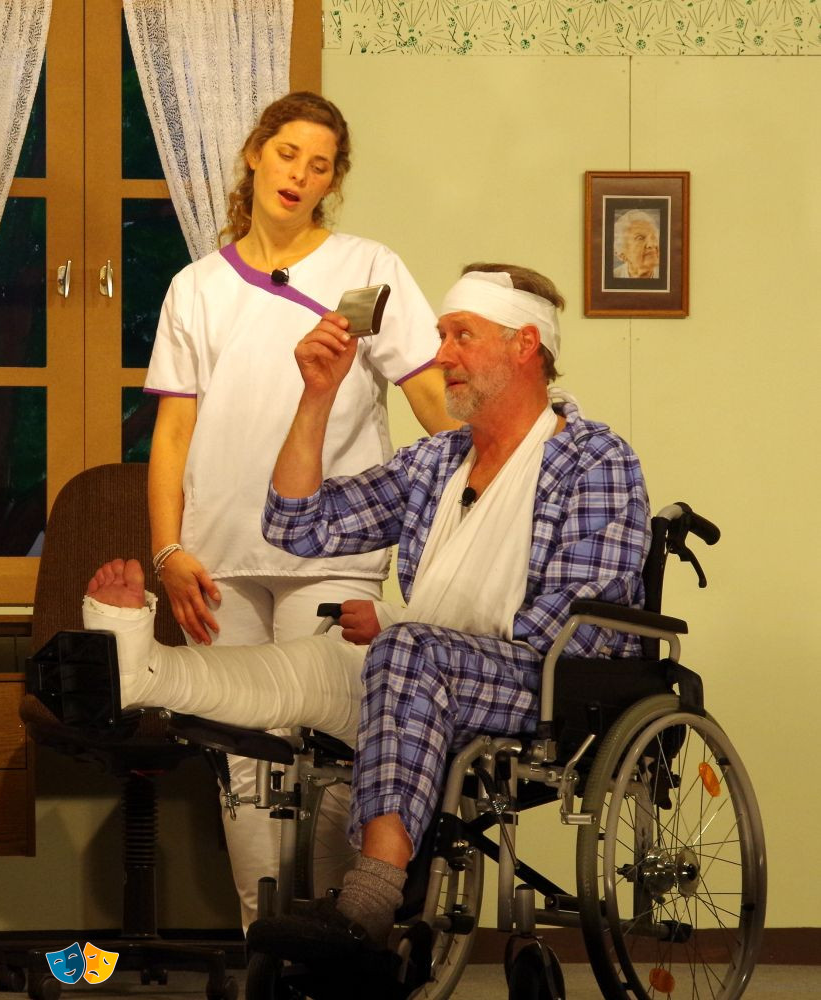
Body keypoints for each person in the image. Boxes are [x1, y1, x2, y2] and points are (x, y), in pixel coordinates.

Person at [85, 263, 649, 952]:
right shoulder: (437, 463)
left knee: (404, 648)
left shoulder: (594, 460)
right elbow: (298, 525)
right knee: (316, 667)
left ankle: (370, 899)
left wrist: (405, 625)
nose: (442, 355)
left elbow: (571, 628)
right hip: (431, 672)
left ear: (524, 344)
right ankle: (144, 671)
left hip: (550, 681)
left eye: (461, 336)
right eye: (441, 335)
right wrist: (316, 396)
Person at [143, 91, 455, 928]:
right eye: (287, 155)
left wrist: (500, 472)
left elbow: (430, 396)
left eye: (320, 166)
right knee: (243, 766)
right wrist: (169, 552)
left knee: (332, 751)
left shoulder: (367, 269)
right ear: (255, 154)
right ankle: (267, 943)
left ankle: (337, 938)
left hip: (333, 553)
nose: (299, 176)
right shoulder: (196, 287)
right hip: (217, 560)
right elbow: (172, 435)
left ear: (332, 181)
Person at [612, 208, 660, 279]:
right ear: (621, 255)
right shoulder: (613, 276)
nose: (652, 244)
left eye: (654, 237)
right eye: (640, 238)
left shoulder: (669, 275)